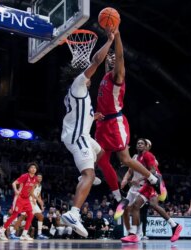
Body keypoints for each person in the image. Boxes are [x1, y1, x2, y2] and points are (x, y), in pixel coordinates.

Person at [94, 25, 162, 218]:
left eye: (114, 58)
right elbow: (108, 60)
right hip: (102, 124)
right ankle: (118, 197)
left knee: (124, 159)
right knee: (101, 160)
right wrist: (107, 41)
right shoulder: (106, 75)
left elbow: (120, 57)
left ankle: (152, 177)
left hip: (115, 123)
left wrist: (117, 37)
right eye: (110, 58)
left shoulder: (118, 76)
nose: (112, 58)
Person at [60, 28, 116, 238]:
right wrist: (109, 40)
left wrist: (93, 117)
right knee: (89, 174)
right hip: (78, 138)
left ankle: (85, 174)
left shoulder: (75, 94)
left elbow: (78, 115)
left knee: (100, 153)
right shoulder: (78, 84)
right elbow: (96, 60)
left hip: (80, 135)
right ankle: (73, 213)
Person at [121, 138, 182, 243]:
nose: (140, 145)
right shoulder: (137, 157)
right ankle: (174, 225)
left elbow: (153, 170)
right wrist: (127, 179)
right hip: (147, 183)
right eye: (138, 143)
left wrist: (139, 179)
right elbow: (131, 170)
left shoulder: (148, 155)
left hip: (153, 183)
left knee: (137, 206)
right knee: (149, 206)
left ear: (146, 146)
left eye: (142, 144)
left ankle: (133, 234)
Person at [0, 162, 39, 241]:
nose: (33, 169)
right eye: (32, 167)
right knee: (14, 216)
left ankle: (24, 234)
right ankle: (1, 232)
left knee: (30, 214)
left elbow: (32, 189)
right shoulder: (25, 176)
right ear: (29, 169)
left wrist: (33, 198)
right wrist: (16, 190)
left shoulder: (35, 178)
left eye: (35, 168)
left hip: (27, 199)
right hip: (20, 198)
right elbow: (14, 183)